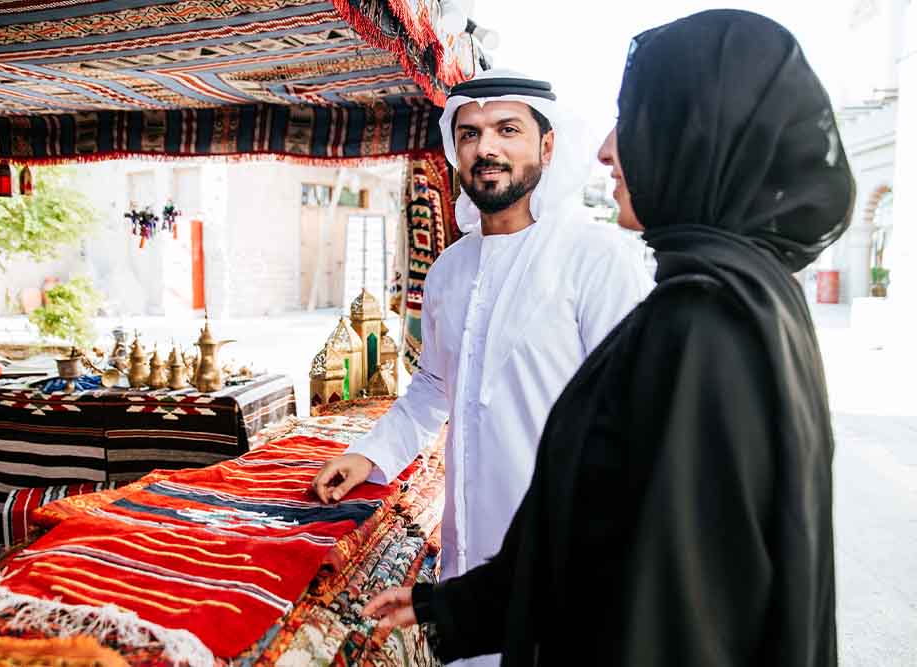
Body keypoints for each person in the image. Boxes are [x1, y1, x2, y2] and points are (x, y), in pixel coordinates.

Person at [364, 10, 854, 667]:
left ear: (694, 137)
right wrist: (460, 606)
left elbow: (672, 600)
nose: (608, 148)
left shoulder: (703, 328)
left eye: (640, 116)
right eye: (471, 133)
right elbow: (603, 506)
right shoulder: (741, 300)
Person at [312, 68, 653, 665]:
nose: (485, 148)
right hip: (468, 554)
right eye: (468, 134)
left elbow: (630, 425)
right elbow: (432, 390)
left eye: (507, 130)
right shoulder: (448, 268)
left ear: (548, 146)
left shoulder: (596, 258)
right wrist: (370, 454)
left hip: (566, 561)